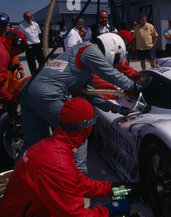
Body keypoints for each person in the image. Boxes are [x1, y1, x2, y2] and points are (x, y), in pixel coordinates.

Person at [0, 98, 130, 217]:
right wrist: (112, 209)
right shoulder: (58, 163)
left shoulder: (53, 146)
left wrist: (115, 189)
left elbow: (80, 184)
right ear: (86, 128)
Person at [18, 33, 139, 174]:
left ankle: (20, 180)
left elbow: (90, 93)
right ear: (112, 48)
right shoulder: (89, 50)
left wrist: (114, 108)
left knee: (33, 143)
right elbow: (110, 74)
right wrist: (134, 86)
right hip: (47, 94)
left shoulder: (81, 60)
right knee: (77, 132)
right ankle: (77, 178)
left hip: (29, 92)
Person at [0, 29, 28, 106]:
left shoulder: (4, 44)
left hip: (12, 73)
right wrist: (11, 100)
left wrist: (20, 67)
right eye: (22, 49)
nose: (20, 53)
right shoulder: (3, 54)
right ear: (17, 44)